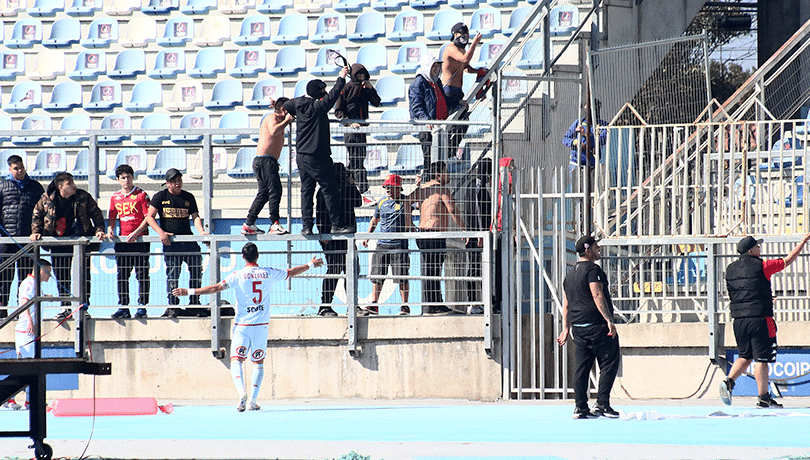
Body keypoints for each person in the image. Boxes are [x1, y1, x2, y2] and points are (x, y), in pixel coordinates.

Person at [172, 242, 323, 412]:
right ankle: (252, 400)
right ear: (257, 256)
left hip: (242, 325)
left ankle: (241, 393)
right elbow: (291, 272)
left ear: (243, 257)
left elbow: (215, 288)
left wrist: (189, 291)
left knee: (237, 359)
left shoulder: (237, 275)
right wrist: (311, 264)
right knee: (258, 362)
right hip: (261, 326)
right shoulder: (267, 273)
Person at [719, 234, 810, 409]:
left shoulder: (730, 269)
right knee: (762, 358)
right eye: (757, 247)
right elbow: (787, 261)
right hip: (759, 319)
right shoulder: (762, 265)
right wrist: (802, 243)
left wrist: (766, 298)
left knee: (745, 355)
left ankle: (729, 381)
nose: (760, 250)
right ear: (751, 250)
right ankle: (763, 397)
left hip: (739, 320)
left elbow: (744, 291)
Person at [283, 66, 354, 236]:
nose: (324, 93)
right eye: (322, 91)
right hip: (318, 156)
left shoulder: (298, 104)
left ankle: (307, 226)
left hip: (301, 156)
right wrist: (341, 77)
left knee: (306, 191)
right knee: (330, 190)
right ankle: (337, 225)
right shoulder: (318, 107)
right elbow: (333, 95)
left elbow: (286, 104)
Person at [556, 235, 621, 419]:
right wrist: (609, 320)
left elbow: (566, 304)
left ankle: (580, 407)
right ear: (587, 250)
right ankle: (602, 404)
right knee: (609, 362)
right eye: (595, 246)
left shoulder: (570, 275)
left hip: (579, 328)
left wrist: (566, 328)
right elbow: (597, 294)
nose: (598, 248)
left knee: (582, 368)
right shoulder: (593, 270)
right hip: (597, 326)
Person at [31, 172, 105, 319]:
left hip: (80, 240)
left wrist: (99, 229)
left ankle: (83, 307)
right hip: (59, 242)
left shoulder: (82, 196)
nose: (73, 186)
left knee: (83, 275)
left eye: (72, 182)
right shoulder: (47, 198)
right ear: (60, 187)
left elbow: (96, 213)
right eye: (69, 183)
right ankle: (65, 307)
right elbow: (37, 214)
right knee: (62, 275)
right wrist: (36, 231)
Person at [145, 168, 209, 318]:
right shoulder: (160, 196)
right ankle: (173, 304)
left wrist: (201, 231)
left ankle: (194, 302)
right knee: (173, 275)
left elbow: (195, 216)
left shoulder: (188, 197)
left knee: (196, 271)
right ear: (167, 183)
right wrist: (161, 233)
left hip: (188, 241)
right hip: (171, 244)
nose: (177, 184)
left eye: (179, 181)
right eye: (174, 182)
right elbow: (149, 217)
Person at [405, 161, 466, 315]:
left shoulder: (423, 189)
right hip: (434, 234)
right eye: (446, 171)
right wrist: (464, 229)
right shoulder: (441, 189)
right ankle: (434, 305)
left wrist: (410, 224)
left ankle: (433, 304)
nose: (449, 175)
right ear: (439, 174)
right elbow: (452, 209)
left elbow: (407, 202)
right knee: (433, 270)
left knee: (431, 270)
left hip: (424, 233)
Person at [3, 259, 53, 410]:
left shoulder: (35, 285)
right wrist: (29, 320)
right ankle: (10, 397)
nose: (49, 276)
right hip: (26, 331)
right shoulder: (29, 283)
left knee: (30, 367)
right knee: (25, 367)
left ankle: (29, 400)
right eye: (48, 272)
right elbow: (24, 301)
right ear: (41, 270)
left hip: (31, 330)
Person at [0, 155, 44, 319]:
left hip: (28, 239)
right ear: (10, 169)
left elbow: (42, 211)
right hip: (7, 239)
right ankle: (2, 309)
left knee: (25, 277)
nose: (20, 171)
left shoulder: (35, 187)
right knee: (5, 276)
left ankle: (22, 311)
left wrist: (37, 230)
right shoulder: (3, 186)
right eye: (16, 168)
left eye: (22, 167)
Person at [363, 174, 413, 316]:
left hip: (399, 245)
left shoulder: (406, 201)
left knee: (402, 277)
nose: (387, 190)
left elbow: (409, 220)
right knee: (377, 276)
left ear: (398, 188)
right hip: (382, 245)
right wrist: (368, 236)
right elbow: (375, 220)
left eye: (390, 187)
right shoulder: (382, 202)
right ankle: (374, 305)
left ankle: (405, 306)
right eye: (386, 187)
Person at [242, 97, 293, 236]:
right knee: (275, 190)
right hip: (265, 161)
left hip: (267, 162)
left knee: (264, 194)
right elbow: (273, 131)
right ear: (283, 110)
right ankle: (274, 223)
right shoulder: (272, 117)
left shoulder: (279, 119)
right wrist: (287, 120)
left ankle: (249, 223)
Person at [315, 162, 361, 317]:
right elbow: (319, 214)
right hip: (332, 237)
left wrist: (352, 184)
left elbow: (358, 201)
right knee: (334, 269)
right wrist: (323, 234)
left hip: (347, 235)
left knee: (352, 269)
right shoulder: (324, 189)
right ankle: (325, 306)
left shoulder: (347, 188)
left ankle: (353, 305)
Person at [106, 164, 151, 319]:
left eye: (129, 177)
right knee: (122, 275)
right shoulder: (115, 197)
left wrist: (136, 233)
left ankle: (142, 307)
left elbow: (148, 218)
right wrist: (110, 229)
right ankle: (124, 307)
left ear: (133, 177)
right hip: (123, 241)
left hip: (140, 240)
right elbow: (112, 217)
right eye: (123, 178)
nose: (126, 180)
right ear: (118, 180)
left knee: (142, 274)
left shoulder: (141, 195)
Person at [334, 63, 382, 194]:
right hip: (351, 131)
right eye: (359, 75)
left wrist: (371, 89)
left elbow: (377, 102)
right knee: (357, 161)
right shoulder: (346, 88)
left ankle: (345, 185)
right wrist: (350, 124)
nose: (361, 77)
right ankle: (364, 191)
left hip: (361, 131)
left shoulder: (365, 88)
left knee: (356, 160)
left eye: (363, 75)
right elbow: (338, 111)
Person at [463, 158, 492, 314]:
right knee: (474, 268)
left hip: (476, 233)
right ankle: (472, 302)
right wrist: (480, 233)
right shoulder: (477, 185)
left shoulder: (476, 185)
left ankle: (477, 301)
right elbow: (477, 210)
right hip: (477, 235)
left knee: (478, 268)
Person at [409, 55, 448, 169]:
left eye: (437, 66)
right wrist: (426, 120)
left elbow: (443, 99)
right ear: (427, 67)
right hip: (427, 128)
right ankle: (428, 183)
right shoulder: (418, 84)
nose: (436, 69)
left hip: (440, 126)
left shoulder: (436, 82)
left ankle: (437, 183)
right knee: (429, 158)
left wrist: (458, 102)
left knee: (440, 160)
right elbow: (416, 106)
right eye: (433, 66)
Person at [441, 22, 482, 114]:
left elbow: (465, 66)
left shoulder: (462, 49)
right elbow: (464, 59)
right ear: (455, 35)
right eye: (462, 33)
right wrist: (474, 43)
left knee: (462, 119)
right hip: (449, 90)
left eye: (466, 33)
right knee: (452, 120)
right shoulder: (451, 48)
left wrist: (477, 71)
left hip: (458, 90)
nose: (464, 36)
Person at [562, 101, 608, 168]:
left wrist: (586, 135)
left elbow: (601, 141)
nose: (588, 112)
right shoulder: (579, 122)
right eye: (586, 109)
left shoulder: (603, 125)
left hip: (592, 164)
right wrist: (575, 142)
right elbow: (565, 139)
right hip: (575, 163)